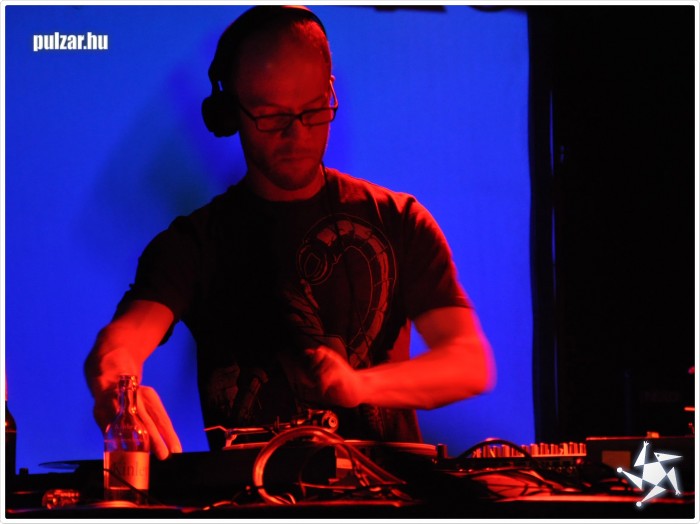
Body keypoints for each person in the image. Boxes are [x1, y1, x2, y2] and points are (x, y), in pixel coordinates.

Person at [84, 5, 496, 461]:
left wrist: (360, 385)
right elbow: (120, 344)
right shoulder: (195, 244)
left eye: (314, 110)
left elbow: (467, 362)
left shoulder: (399, 220)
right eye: (271, 115)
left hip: (389, 493)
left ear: (329, 92)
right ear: (229, 112)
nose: (296, 134)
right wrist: (119, 391)